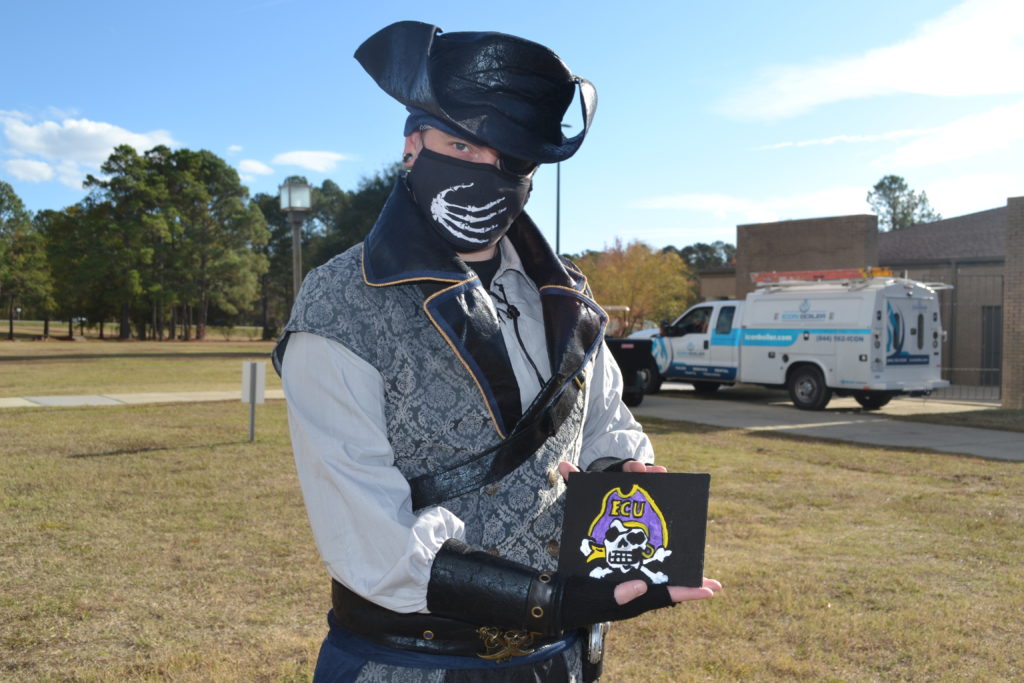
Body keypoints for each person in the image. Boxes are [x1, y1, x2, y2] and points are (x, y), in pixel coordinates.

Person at [274, 20, 721, 683]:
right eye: (462, 143)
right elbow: (369, 539)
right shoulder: (341, 304)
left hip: (560, 663)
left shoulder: (568, 297)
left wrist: (624, 470)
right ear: (412, 144)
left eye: (510, 160)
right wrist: (556, 600)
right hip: (408, 665)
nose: (487, 171)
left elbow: (604, 424)